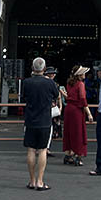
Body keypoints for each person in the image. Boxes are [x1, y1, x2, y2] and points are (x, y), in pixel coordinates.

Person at [20, 57, 60, 191]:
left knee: (31, 149)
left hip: (30, 119)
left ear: (32, 68)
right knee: (43, 149)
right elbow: (55, 95)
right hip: (45, 119)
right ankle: (40, 181)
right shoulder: (50, 83)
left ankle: (31, 181)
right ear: (44, 69)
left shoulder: (26, 82)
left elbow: (23, 97)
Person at [62, 65, 93, 165]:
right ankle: (78, 155)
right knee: (78, 133)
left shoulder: (69, 83)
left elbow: (70, 96)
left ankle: (68, 154)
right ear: (79, 75)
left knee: (69, 132)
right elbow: (83, 99)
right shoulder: (80, 84)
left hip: (69, 109)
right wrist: (89, 113)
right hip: (76, 110)